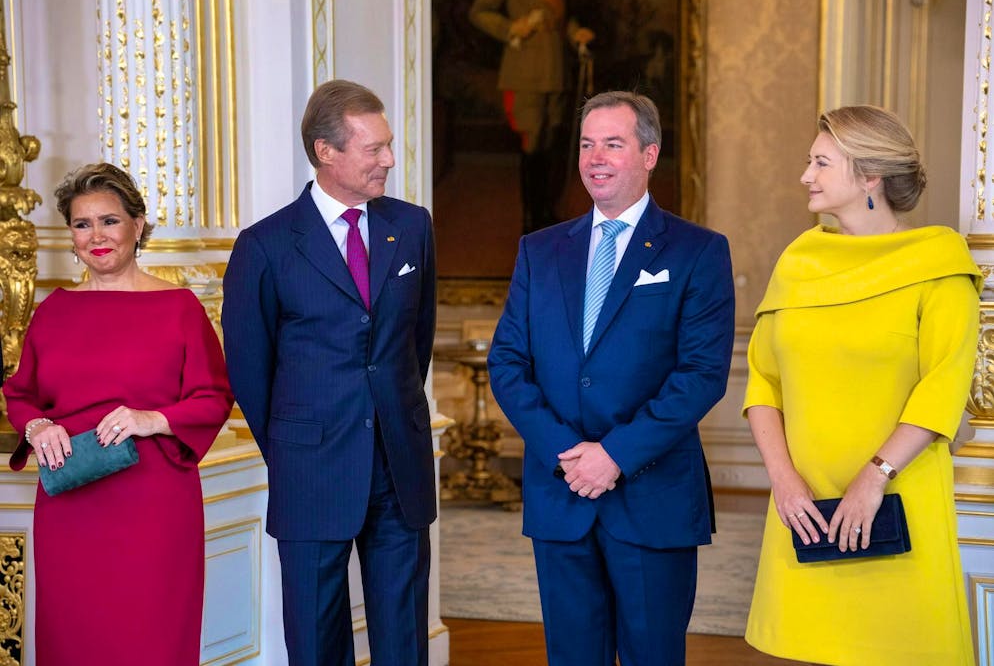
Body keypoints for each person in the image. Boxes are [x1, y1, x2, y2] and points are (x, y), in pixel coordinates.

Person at [488, 90, 735, 666]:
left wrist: (615, 455)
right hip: (561, 493)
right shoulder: (539, 250)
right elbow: (507, 363)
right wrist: (568, 451)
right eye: (586, 144)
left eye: (614, 144)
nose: (596, 157)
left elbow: (701, 375)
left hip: (652, 499)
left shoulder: (699, 251)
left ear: (650, 154)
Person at [743, 105, 980, 666]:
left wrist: (873, 480)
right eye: (810, 161)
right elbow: (762, 383)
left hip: (896, 498)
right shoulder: (799, 260)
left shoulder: (938, 264)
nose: (806, 175)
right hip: (802, 503)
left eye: (821, 163)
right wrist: (784, 481)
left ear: (870, 176)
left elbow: (942, 387)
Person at [221, 79, 437, 666]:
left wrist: (390, 415)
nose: (389, 159)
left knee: (404, 639)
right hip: (310, 468)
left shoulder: (412, 226)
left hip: (399, 465)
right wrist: (295, 446)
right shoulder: (264, 246)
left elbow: (415, 344)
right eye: (375, 149)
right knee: (316, 641)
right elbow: (248, 367)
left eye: (388, 145)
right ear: (326, 151)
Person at [3, 162, 234, 666]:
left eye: (109, 220)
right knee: (75, 639)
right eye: (82, 224)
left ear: (138, 224)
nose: (96, 236)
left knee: (149, 638)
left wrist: (152, 419)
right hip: (71, 507)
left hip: (152, 505)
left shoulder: (179, 308)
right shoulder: (53, 311)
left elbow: (214, 396)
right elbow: (20, 394)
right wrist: (38, 425)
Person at [469, 0, 594, 234]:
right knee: (532, 145)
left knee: (550, 144)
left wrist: (576, 33)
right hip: (524, 74)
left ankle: (547, 212)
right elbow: (479, 11)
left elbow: (560, 20)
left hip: (555, 74)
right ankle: (532, 218)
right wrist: (510, 28)